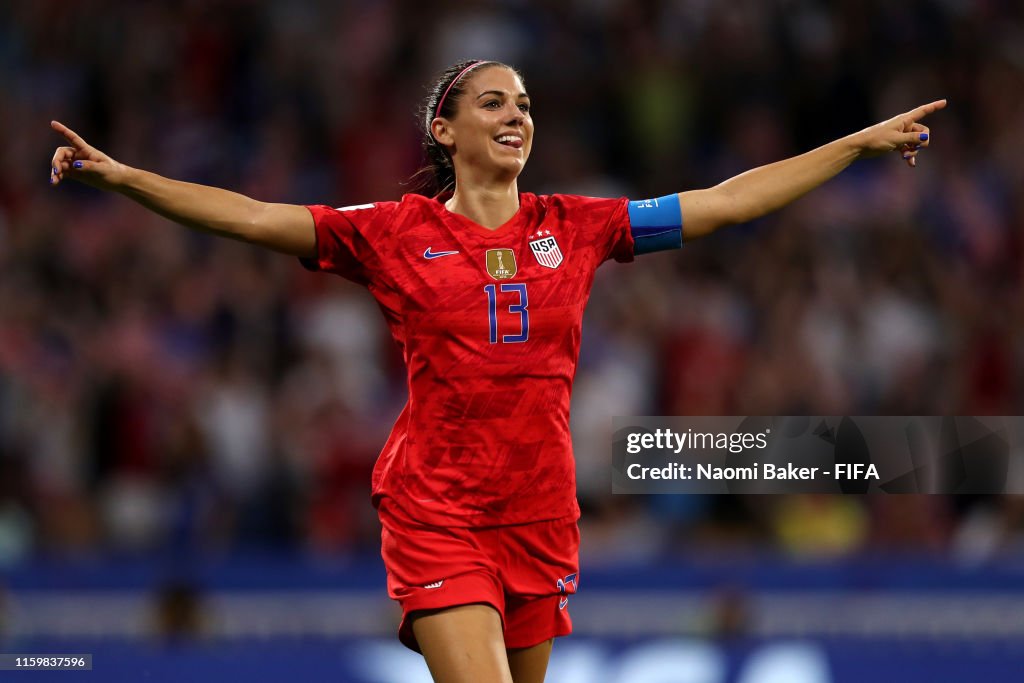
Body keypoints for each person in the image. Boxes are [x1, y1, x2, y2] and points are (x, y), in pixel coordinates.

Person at [49, 58, 945, 683]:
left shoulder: (581, 225)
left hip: (541, 511)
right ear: (445, 128)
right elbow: (248, 215)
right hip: (438, 508)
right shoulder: (393, 231)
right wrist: (126, 178)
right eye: (492, 103)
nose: (517, 114)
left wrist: (849, 148)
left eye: (523, 103)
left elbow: (725, 203)